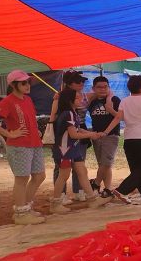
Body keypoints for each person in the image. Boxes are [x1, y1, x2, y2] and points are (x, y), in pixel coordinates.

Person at [49, 89, 112, 214]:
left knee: (82, 171)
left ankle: (92, 200)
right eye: (78, 98)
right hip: (64, 150)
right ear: (70, 100)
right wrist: (91, 135)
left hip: (72, 148)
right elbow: (73, 134)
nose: (81, 100)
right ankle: (55, 203)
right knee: (63, 175)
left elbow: (78, 130)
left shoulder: (72, 112)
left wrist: (92, 134)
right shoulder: (68, 114)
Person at [103, 75, 141, 202]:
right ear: (139, 87)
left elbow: (118, 118)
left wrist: (105, 132)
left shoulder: (125, 101)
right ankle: (121, 190)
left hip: (128, 140)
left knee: (136, 170)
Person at [0, 70, 47, 224]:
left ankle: (26, 208)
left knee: (39, 176)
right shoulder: (7, 101)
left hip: (34, 143)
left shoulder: (28, 100)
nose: (27, 85)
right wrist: (9, 134)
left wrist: (36, 129)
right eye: (23, 83)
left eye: (28, 82)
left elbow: (29, 118)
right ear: (14, 85)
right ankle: (21, 213)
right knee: (21, 178)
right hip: (19, 145)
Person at [49, 70, 91, 203]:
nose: (82, 83)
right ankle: (59, 196)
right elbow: (53, 117)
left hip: (78, 133)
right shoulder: (61, 98)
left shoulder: (81, 96)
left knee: (80, 165)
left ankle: (80, 191)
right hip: (64, 138)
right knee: (62, 169)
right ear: (69, 84)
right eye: (78, 81)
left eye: (82, 81)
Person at [87, 76, 120, 197]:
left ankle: (95, 183)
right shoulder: (91, 101)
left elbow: (120, 117)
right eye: (99, 87)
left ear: (109, 87)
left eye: (105, 86)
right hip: (96, 135)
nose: (102, 89)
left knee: (106, 163)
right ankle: (107, 189)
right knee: (103, 164)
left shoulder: (114, 100)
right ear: (93, 88)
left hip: (110, 135)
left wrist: (109, 108)